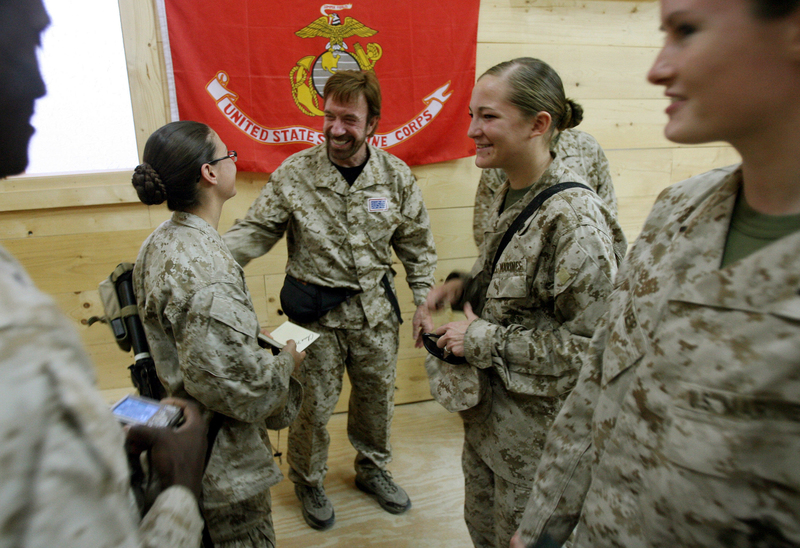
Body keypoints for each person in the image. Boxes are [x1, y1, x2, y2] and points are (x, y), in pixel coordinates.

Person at [512, 0, 800, 547]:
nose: (656, 69)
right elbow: (597, 384)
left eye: (687, 31)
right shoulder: (679, 213)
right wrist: (540, 528)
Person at [0, 0, 208, 546]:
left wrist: (95, 428)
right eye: (27, 47)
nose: (42, 87)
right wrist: (180, 495)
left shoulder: (154, 248)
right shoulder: (12, 325)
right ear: (210, 172)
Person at [425, 58, 626, 548]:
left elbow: (593, 351)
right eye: (472, 115)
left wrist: (481, 339)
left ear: (539, 125)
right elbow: (519, 287)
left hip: (540, 446)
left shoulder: (575, 220)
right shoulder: (509, 191)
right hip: (490, 424)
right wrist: (464, 287)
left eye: (488, 117)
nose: (472, 130)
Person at [223, 70, 437, 530]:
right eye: (329, 116)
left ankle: (372, 469)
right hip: (310, 320)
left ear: (373, 122)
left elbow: (417, 244)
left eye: (349, 119)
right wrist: (209, 258)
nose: (337, 129)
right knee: (309, 408)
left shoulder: (394, 177)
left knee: (377, 400)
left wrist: (423, 300)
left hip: (375, 317)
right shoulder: (296, 174)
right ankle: (307, 480)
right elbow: (256, 232)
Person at [131, 120, 305, 548]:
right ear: (209, 173)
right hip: (218, 461)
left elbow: (188, 340)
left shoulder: (158, 242)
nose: (234, 161)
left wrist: (244, 338)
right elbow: (241, 389)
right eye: (228, 154)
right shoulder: (209, 270)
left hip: (174, 433)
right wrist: (286, 361)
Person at [473, 129, 617, 248]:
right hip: (518, 266)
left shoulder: (584, 146)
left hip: (579, 257)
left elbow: (606, 210)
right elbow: (485, 222)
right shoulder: (505, 150)